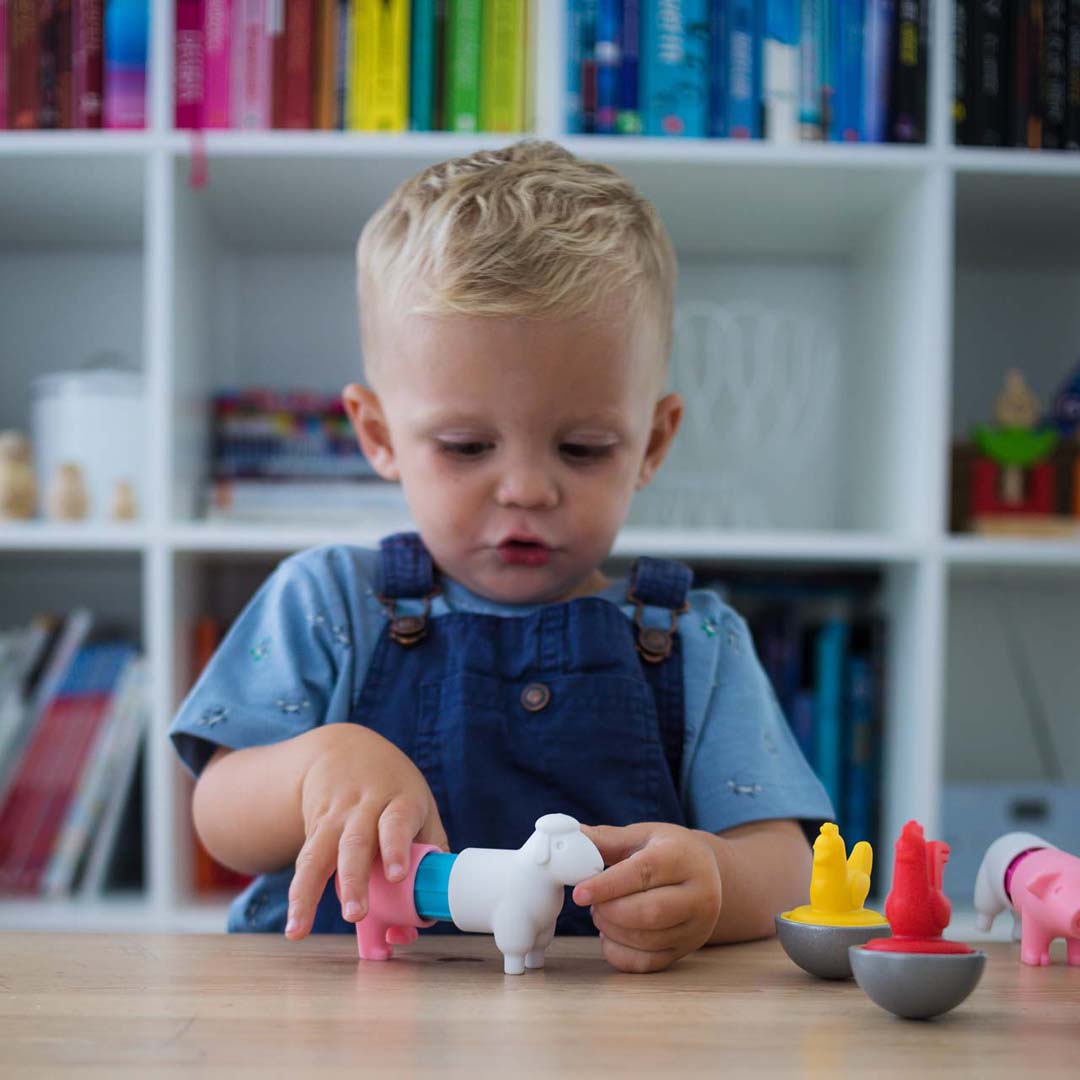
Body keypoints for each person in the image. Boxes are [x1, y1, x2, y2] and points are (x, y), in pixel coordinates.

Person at [169, 140, 833, 973]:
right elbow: (218, 813)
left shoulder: (697, 642)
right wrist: (319, 766)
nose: (525, 489)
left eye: (583, 448)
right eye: (466, 444)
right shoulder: (330, 602)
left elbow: (788, 865)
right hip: (340, 1032)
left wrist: (717, 879)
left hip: (603, 1044)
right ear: (377, 435)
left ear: (653, 441)